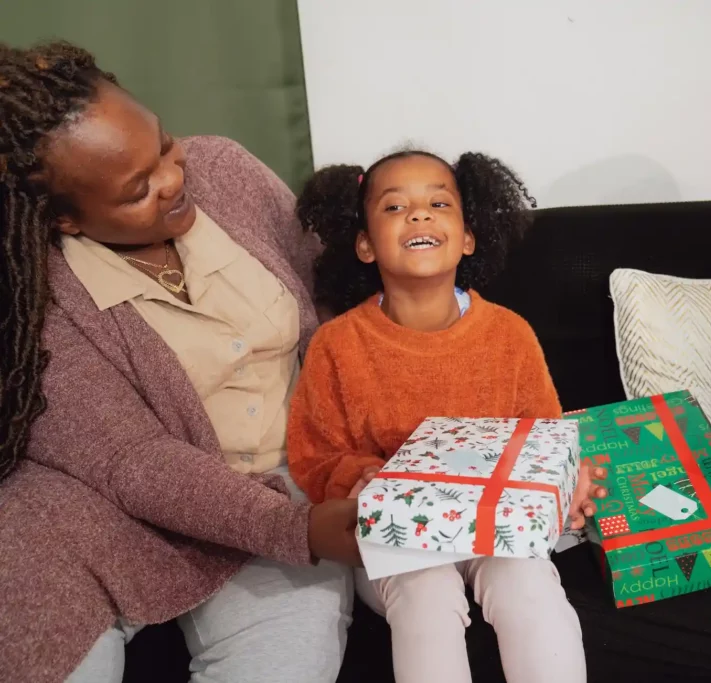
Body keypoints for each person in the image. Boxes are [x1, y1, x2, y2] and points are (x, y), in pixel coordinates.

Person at [0, 41, 362, 683]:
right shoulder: (37, 293)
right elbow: (131, 460)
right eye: (138, 189)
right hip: (101, 508)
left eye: (164, 145)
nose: (172, 177)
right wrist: (296, 528)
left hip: (285, 488)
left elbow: (331, 301)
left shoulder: (226, 168)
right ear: (66, 220)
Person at [286, 149, 606, 683]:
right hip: (397, 534)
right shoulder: (336, 345)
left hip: (498, 526)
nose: (418, 214)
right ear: (365, 244)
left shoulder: (509, 334)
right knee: (426, 594)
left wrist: (568, 480)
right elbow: (315, 454)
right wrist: (361, 476)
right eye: (394, 207)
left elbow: (545, 436)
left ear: (467, 238)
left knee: (529, 588)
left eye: (438, 203)